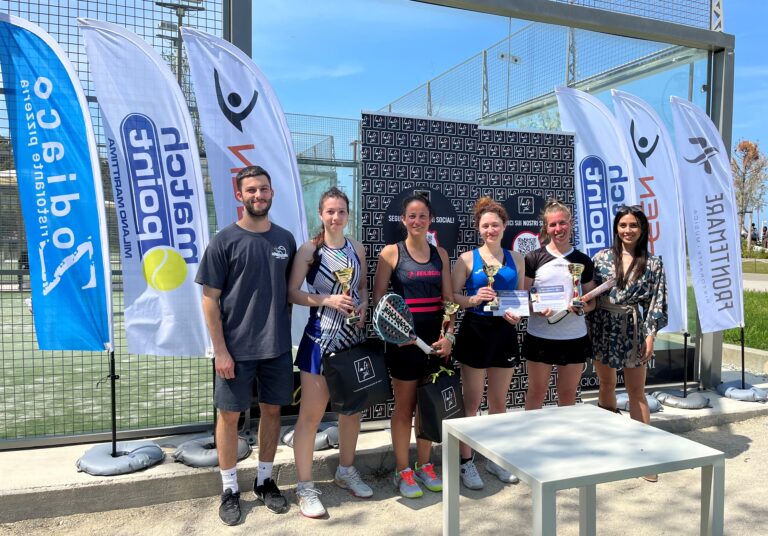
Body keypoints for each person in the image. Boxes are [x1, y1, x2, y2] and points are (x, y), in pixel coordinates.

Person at [196, 165, 296, 525]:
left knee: (272, 413)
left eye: (264, 189)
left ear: (272, 193)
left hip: (278, 348)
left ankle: (265, 480)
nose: (258, 195)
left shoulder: (285, 239)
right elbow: (209, 300)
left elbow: (294, 289)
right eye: (251, 190)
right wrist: (221, 350)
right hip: (235, 352)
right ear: (239, 195)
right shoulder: (223, 241)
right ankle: (229, 488)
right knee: (229, 417)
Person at [288, 187, 373, 518]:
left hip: (351, 339)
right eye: (330, 212)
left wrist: (363, 306)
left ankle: (346, 470)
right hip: (319, 341)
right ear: (321, 215)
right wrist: (326, 300)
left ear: (348, 215)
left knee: (352, 411)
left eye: (341, 211)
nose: (335, 217)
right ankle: (305, 486)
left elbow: (362, 286)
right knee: (311, 415)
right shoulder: (310, 250)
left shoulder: (358, 248)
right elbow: (292, 293)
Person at [372, 194, 454, 499]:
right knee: (404, 407)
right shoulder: (391, 253)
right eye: (411, 216)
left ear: (430, 220)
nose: (417, 221)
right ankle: (402, 470)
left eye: (422, 216)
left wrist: (449, 337)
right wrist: (396, 333)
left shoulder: (441, 254)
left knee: (428, 406)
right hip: (404, 344)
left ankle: (424, 465)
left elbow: (448, 301)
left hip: (435, 343)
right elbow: (379, 301)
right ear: (403, 220)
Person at [585, 205, 667, 482]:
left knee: (636, 392)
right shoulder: (601, 258)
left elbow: (657, 303)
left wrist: (650, 335)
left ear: (642, 229)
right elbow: (590, 294)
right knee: (606, 385)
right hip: (603, 326)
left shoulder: (653, 263)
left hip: (634, 328)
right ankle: (608, 446)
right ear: (616, 229)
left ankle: (644, 454)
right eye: (623, 225)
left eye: (633, 225)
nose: (628, 230)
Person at [451, 197, 524, 489]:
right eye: (485, 226)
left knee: (498, 402)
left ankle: (495, 459)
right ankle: (466, 464)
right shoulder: (467, 259)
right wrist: (473, 299)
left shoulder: (516, 259)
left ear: (504, 226)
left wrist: (517, 315)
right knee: (471, 403)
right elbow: (452, 297)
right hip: (475, 331)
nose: (490, 230)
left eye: (495, 225)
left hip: (504, 334)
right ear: (478, 228)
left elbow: (519, 300)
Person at [523, 199, 596, 410]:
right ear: (546, 228)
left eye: (562, 223)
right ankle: (532, 441)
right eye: (553, 225)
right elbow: (523, 298)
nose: (558, 229)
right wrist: (535, 308)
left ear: (570, 223)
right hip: (540, 337)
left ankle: (565, 441)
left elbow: (591, 302)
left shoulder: (583, 260)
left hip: (573, 337)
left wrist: (582, 306)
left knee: (567, 396)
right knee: (536, 393)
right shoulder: (534, 258)